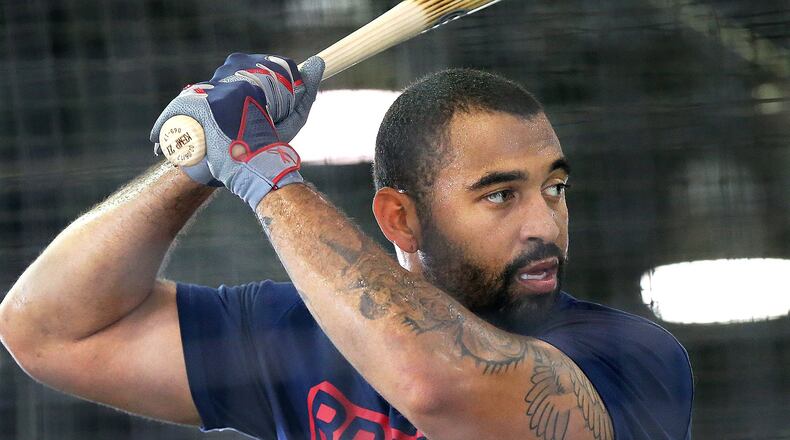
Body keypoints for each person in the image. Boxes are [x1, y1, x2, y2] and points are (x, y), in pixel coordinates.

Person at [0, 53, 693, 440]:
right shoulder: (297, 333)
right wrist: (198, 162)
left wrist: (265, 175)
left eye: (555, 188)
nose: (544, 223)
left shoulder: (629, 358)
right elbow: (47, 331)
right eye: (500, 195)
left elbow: (437, 385)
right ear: (400, 219)